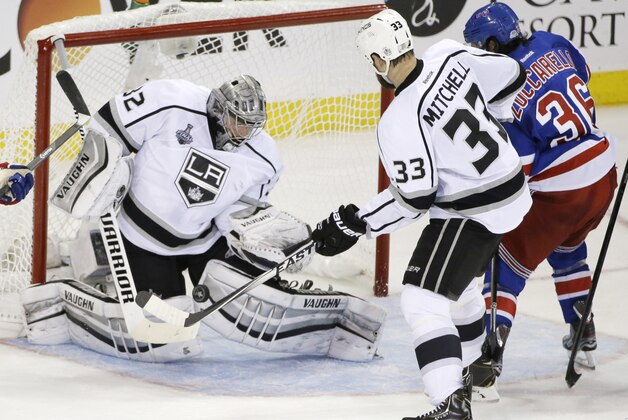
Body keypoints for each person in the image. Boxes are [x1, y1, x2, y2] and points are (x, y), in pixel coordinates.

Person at [19, 75, 385, 363]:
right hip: (140, 241)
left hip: (205, 243)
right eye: (237, 121)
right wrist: (108, 164)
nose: (243, 132)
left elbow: (239, 215)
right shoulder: (170, 100)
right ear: (218, 108)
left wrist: (268, 240)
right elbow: (107, 126)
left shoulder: (264, 159)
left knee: (246, 303)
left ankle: (326, 318)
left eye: (251, 125)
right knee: (169, 337)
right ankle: (75, 299)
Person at [311, 9, 531, 420]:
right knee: (462, 288)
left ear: (378, 60)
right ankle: (477, 375)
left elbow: (415, 200)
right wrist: (499, 124)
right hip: (514, 190)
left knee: (420, 300)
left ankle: (449, 403)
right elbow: (513, 73)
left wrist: (357, 223)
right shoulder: (450, 54)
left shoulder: (398, 120)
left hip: (474, 209)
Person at [463, 2, 617, 401]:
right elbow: (580, 77)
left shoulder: (500, 85)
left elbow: (523, 163)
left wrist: (500, 206)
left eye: (481, 48)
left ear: (494, 43)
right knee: (567, 248)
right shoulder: (553, 42)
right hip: (603, 168)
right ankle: (582, 328)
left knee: (505, 262)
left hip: (563, 184)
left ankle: (489, 356)